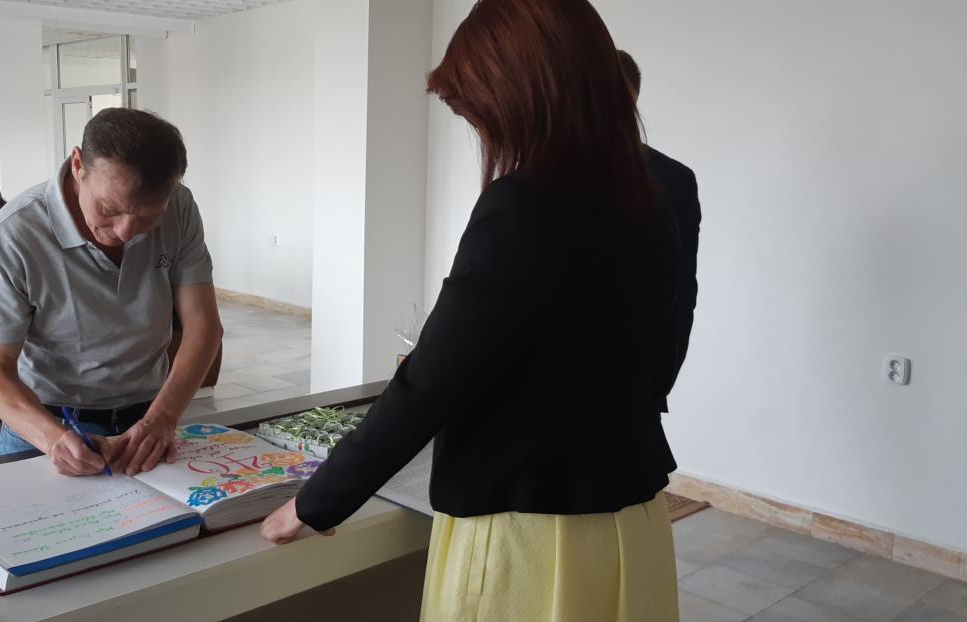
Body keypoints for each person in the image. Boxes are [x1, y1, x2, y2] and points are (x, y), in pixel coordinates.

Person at [260, 2, 682, 620]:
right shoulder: (652, 201)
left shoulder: (522, 207)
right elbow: (657, 347)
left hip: (529, 529)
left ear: (524, 95)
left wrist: (315, 501)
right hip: (630, 516)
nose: (484, 133)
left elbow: (432, 381)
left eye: (482, 113)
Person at [0, 107, 222, 478]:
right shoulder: (15, 234)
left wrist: (163, 417)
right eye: (109, 209)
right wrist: (54, 439)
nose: (125, 232)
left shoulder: (180, 206)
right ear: (78, 165)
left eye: (148, 218)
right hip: (47, 422)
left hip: (149, 417)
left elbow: (204, 327)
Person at [619, 49, 702, 407]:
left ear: (634, 99)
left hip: (637, 391)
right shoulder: (541, 178)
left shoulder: (671, 179)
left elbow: (682, 292)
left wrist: (657, 383)